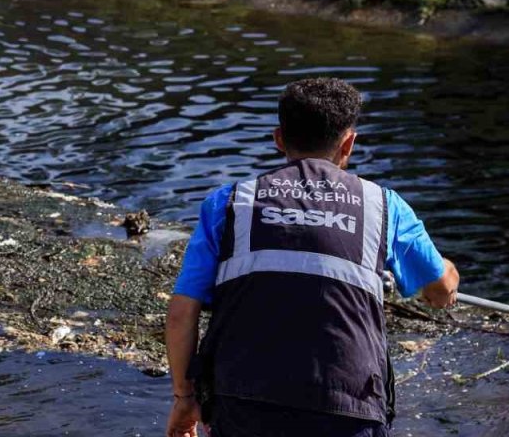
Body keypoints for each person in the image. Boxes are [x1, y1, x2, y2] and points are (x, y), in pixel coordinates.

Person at [165, 77, 459, 437]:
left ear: (278, 139)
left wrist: (185, 397)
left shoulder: (227, 204)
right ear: (348, 143)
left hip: (242, 399)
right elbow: (440, 290)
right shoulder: (384, 206)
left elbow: (182, 312)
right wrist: (445, 273)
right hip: (350, 405)